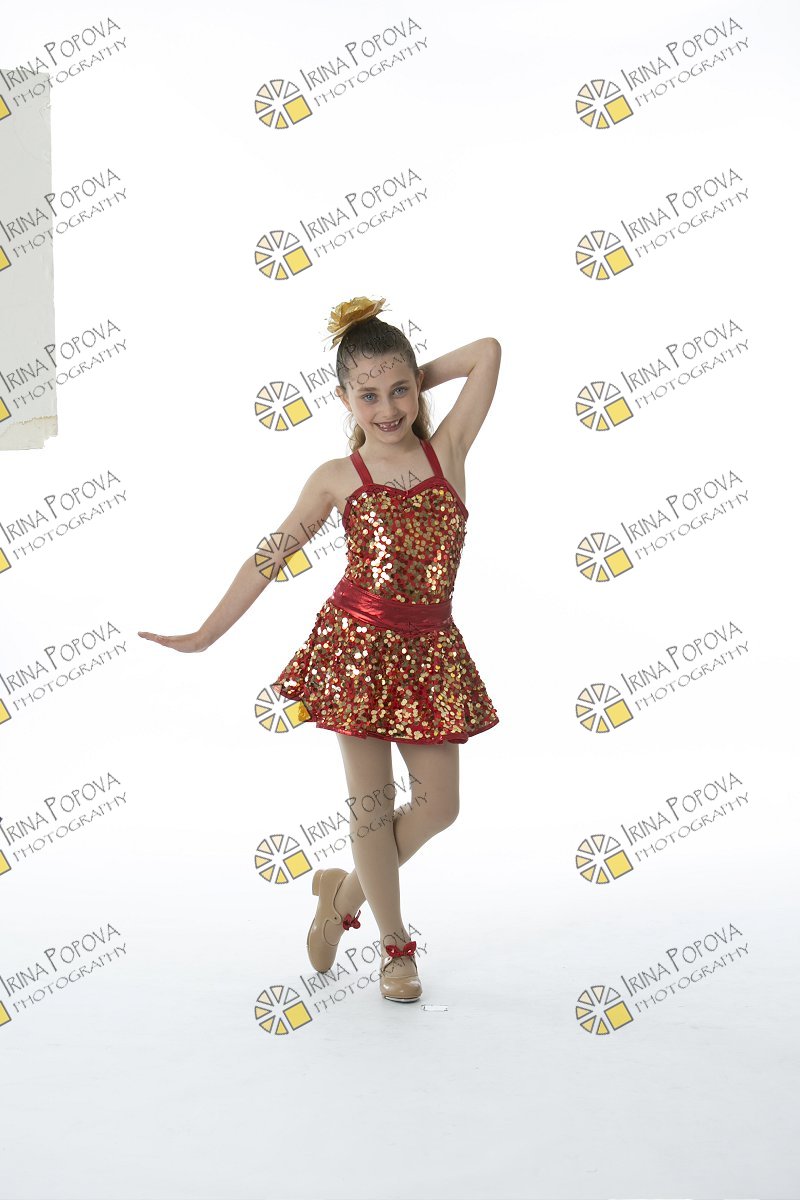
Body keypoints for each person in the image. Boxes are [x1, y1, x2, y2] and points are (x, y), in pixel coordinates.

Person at [139, 295, 501, 1003]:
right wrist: (206, 633)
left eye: (399, 390)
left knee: (439, 806)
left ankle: (340, 895)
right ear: (343, 399)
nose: (388, 409)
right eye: (368, 395)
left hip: (430, 650)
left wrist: (404, 372)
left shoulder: (448, 450)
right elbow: (270, 557)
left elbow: (487, 351)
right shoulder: (338, 477)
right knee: (371, 808)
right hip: (356, 647)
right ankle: (395, 950)